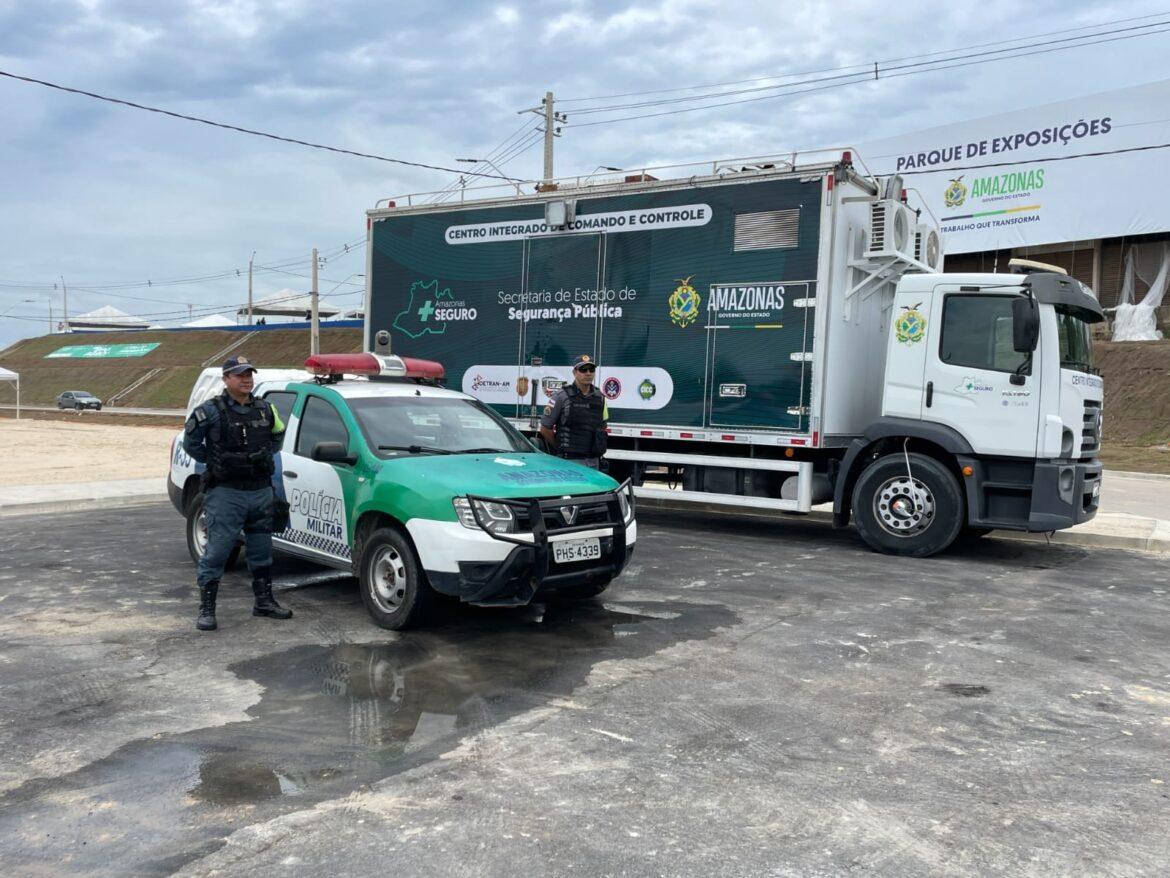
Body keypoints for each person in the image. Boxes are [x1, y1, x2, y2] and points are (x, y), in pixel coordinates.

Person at [183, 355, 293, 631]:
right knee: (218, 551)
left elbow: (277, 437)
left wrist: (261, 456)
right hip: (226, 493)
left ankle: (264, 602)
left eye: (249, 374)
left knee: (261, 551)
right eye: (239, 375)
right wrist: (219, 461)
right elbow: (191, 444)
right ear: (226, 379)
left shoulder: (266, 409)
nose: (246, 379)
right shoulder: (209, 411)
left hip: (259, 492)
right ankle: (207, 609)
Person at [539, 354, 609, 469]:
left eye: (591, 369)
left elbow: (603, 425)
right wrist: (559, 447)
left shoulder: (600, 397)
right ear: (574, 372)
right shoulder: (561, 396)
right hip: (569, 462)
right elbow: (545, 428)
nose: (588, 373)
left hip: (593, 462)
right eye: (583, 369)